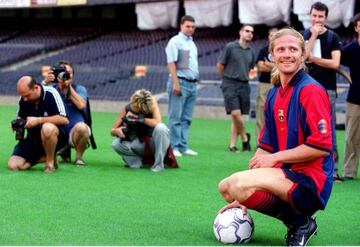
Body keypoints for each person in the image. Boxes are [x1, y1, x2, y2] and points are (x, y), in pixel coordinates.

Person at [218, 28, 334, 246]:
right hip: (286, 175)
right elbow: (265, 147)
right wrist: (245, 194)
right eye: (281, 49)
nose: (287, 54)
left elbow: (322, 146)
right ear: (272, 55)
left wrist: (271, 160)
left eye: (293, 49)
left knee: (236, 183)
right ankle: (298, 222)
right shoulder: (273, 94)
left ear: (302, 55)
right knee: (227, 188)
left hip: (310, 183)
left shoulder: (310, 90)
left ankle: (301, 223)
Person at [302, 1, 342, 181]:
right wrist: (312, 37)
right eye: (314, 15)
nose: (317, 19)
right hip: (308, 89)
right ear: (310, 16)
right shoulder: (305, 34)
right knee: (306, 128)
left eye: (320, 16)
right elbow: (303, 58)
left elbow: (335, 64)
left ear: (326, 18)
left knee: (328, 129)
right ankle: (308, 166)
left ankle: (332, 169)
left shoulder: (333, 37)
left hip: (327, 89)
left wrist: (314, 59)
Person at [8, 76, 69, 173]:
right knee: (14, 165)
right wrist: (17, 124)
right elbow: (20, 117)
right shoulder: (24, 99)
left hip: (56, 136)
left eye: (27, 95)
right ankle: (47, 156)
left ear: (36, 88)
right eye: (23, 96)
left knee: (47, 128)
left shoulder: (51, 93)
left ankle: (50, 163)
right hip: (34, 137)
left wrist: (39, 120)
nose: (25, 99)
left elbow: (64, 119)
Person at [43, 60, 95, 166]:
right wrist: (44, 83)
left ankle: (78, 157)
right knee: (47, 128)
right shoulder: (51, 89)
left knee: (82, 127)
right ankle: (58, 153)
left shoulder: (79, 89)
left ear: (73, 75)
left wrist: (68, 88)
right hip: (58, 132)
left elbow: (81, 105)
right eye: (63, 71)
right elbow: (36, 98)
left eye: (69, 72)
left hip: (74, 132)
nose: (66, 74)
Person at [111, 89, 176, 172]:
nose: (133, 95)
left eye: (135, 95)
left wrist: (139, 118)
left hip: (154, 143)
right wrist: (116, 131)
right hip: (138, 143)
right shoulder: (126, 108)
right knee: (116, 144)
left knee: (161, 128)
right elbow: (112, 130)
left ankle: (158, 165)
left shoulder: (151, 103)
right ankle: (137, 163)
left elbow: (158, 122)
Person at [217, 25, 256, 152]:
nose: (249, 33)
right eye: (247, 31)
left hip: (244, 84)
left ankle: (232, 145)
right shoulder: (230, 47)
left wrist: (249, 76)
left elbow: (253, 69)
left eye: (251, 32)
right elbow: (220, 65)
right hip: (229, 82)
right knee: (235, 113)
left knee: (238, 116)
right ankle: (245, 138)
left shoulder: (251, 51)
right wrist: (224, 80)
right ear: (240, 32)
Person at [165, 15, 199, 157]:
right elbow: (171, 62)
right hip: (180, 82)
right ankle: (174, 146)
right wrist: (175, 82)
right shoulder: (175, 41)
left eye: (192, 27)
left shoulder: (192, 43)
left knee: (186, 118)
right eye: (188, 26)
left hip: (192, 83)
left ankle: (183, 146)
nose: (190, 29)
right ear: (181, 26)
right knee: (175, 117)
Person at [341, 13, 360, 180]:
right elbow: (335, 62)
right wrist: (347, 77)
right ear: (356, 27)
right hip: (355, 99)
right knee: (351, 137)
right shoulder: (351, 49)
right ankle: (349, 172)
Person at [255, 27, 278, 144]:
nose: (273, 38)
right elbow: (260, 66)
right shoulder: (263, 51)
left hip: (278, 85)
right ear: (268, 37)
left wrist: (268, 64)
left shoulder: (281, 51)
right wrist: (276, 66)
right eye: (271, 36)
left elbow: (281, 66)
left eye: (276, 35)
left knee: (276, 114)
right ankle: (260, 143)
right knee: (261, 113)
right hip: (264, 84)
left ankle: (274, 142)